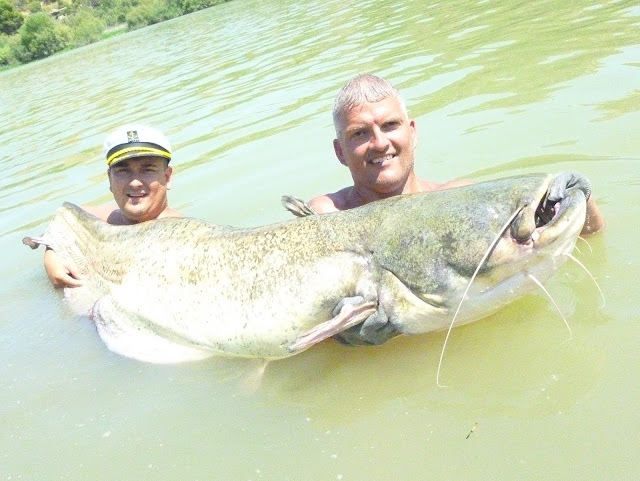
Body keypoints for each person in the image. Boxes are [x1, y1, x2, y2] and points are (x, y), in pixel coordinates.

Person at [307, 74, 605, 234]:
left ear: (413, 132)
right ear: (340, 152)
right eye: (359, 133)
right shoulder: (326, 217)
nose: (380, 143)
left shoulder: (462, 198)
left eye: (390, 125)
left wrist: (578, 197)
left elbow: (586, 235)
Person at [44, 124, 181, 288]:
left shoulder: (183, 238)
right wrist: (51, 255)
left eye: (148, 170)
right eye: (123, 171)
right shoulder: (102, 219)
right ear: (110, 178)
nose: (135, 182)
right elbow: (65, 219)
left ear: (167, 177)